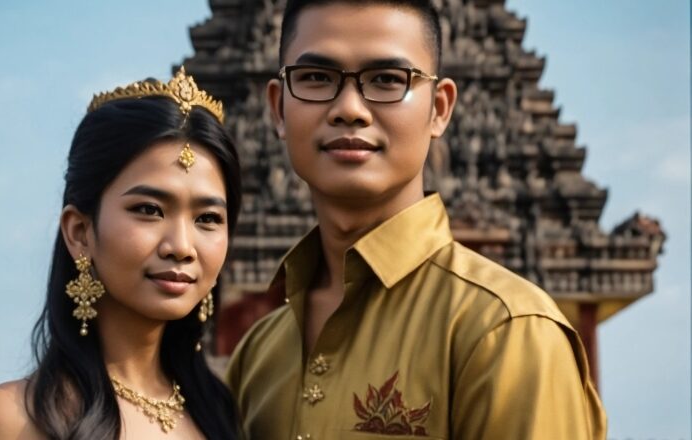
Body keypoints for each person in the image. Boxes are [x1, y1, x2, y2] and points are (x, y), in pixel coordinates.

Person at [225, 1, 607, 439]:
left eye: (387, 79)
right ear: (278, 108)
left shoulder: (506, 331)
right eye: (316, 78)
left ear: (439, 109)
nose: (349, 108)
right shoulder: (257, 357)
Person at [0, 68, 241, 439]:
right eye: (149, 210)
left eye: (207, 218)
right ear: (80, 232)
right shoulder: (14, 420)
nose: (181, 246)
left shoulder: (225, 415)